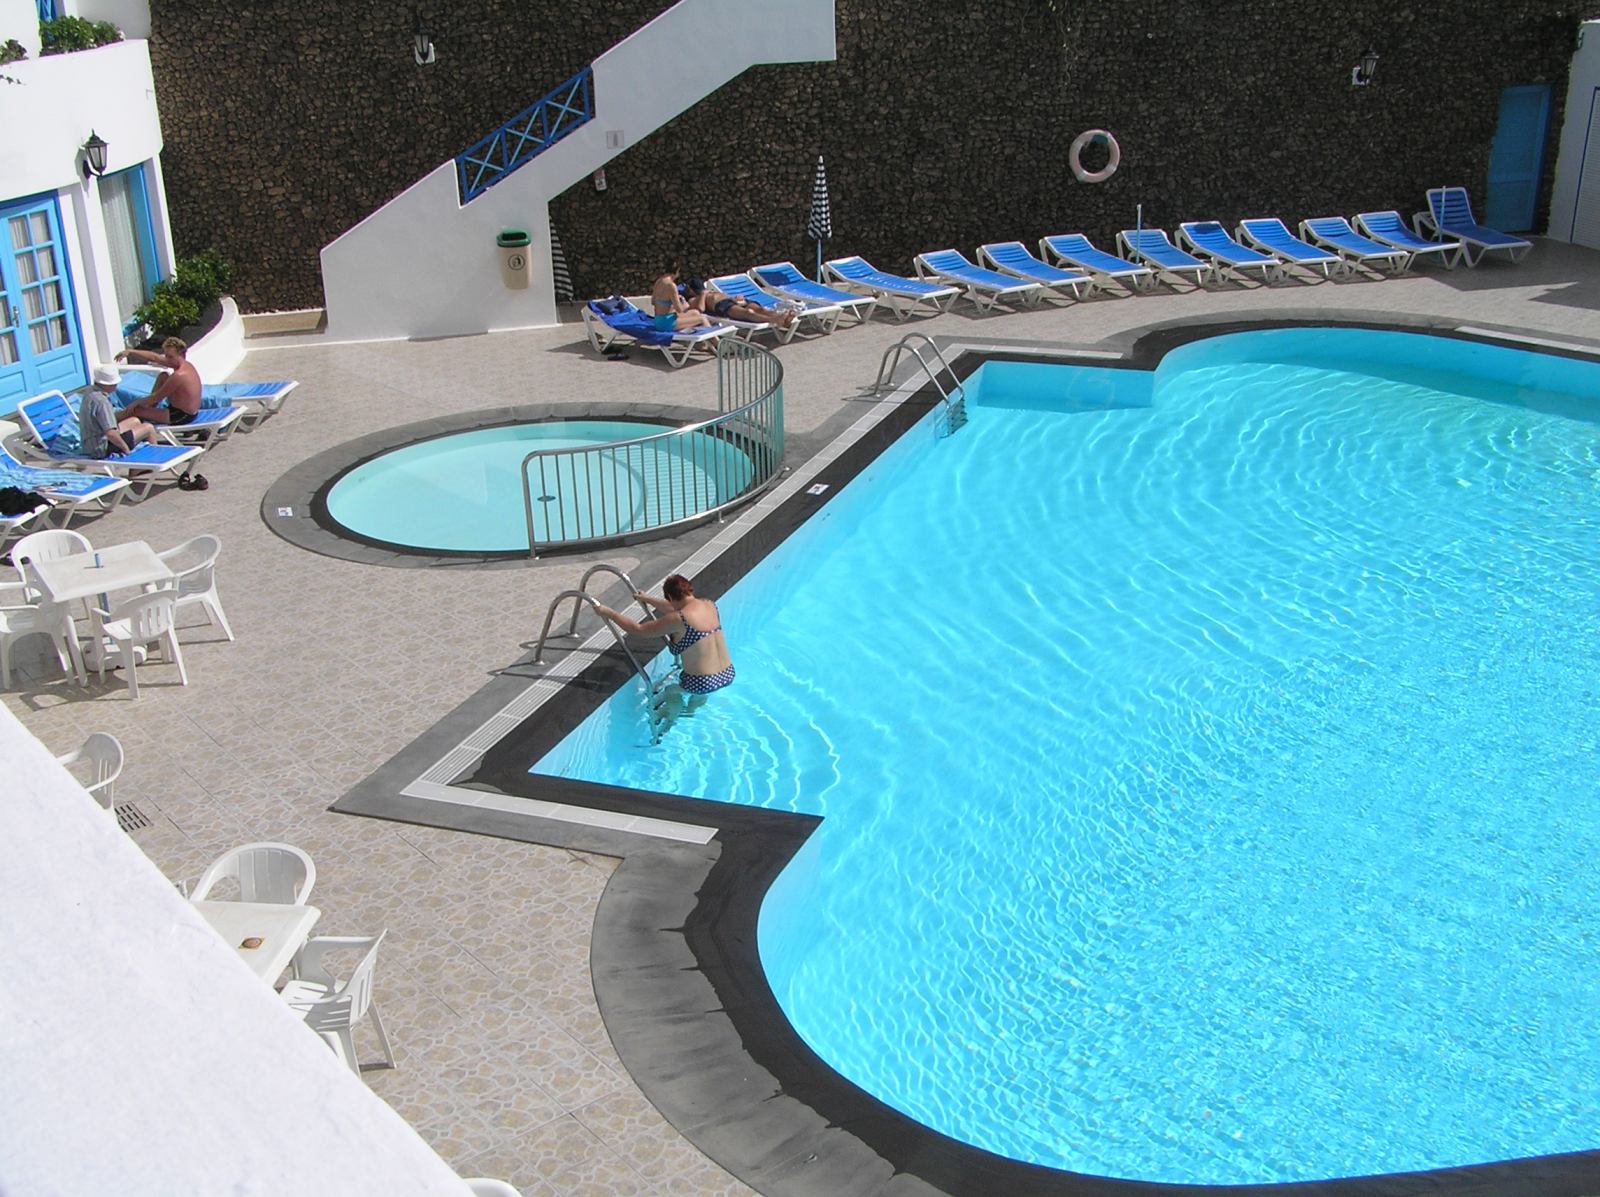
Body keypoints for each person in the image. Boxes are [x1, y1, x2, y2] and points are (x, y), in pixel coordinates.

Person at [594, 574, 735, 714]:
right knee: (701, 691)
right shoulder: (709, 605)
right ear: (689, 590)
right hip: (727, 674)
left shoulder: (679, 619)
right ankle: (691, 710)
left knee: (670, 691)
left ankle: (672, 717)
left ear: (671, 597)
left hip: (701, 682)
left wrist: (609, 613)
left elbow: (638, 629)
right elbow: (675, 607)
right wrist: (647, 599)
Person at [113, 336, 201, 427]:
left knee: (136, 410)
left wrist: (135, 403)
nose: (167, 359)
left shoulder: (179, 375)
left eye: (170, 357)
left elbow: (156, 397)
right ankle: (149, 409)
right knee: (163, 376)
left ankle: (111, 421)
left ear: (181, 355)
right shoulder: (186, 365)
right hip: (188, 411)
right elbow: (154, 357)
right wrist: (131, 351)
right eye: (166, 356)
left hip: (181, 416)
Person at [78, 364, 154, 459]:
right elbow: (110, 433)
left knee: (135, 421)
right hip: (101, 447)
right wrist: (126, 449)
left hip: (89, 442)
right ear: (108, 385)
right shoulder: (102, 402)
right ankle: (154, 458)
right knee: (148, 428)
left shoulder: (90, 392)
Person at [688, 278, 797, 330]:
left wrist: (735, 298)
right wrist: (703, 294)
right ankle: (774, 319)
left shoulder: (711, 291)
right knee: (748, 312)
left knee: (761, 310)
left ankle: (781, 317)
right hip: (722, 305)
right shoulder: (694, 299)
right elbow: (700, 310)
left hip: (734, 300)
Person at [650, 266, 710, 333]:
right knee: (702, 318)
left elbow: (653, 302)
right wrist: (684, 304)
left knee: (695, 312)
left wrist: (669, 301)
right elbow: (680, 310)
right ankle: (715, 339)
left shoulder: (658, 282)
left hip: (658, 321)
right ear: (676, 272)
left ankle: (703, 337)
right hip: (667, 323)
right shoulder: (671, 286)